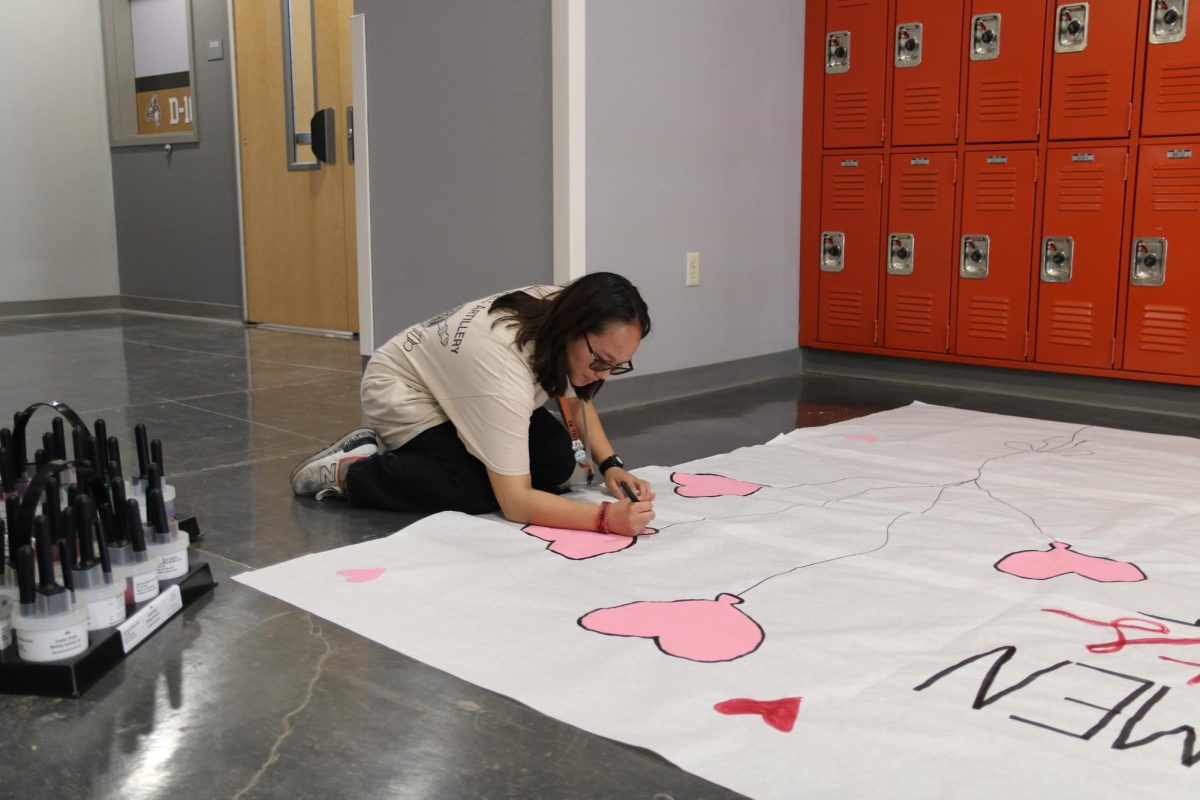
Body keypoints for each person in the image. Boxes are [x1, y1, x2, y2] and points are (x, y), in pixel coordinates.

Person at [290, 272, 656, 536]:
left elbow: (573, 390)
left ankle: (420, 458)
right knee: (478, 492)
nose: (604, 375)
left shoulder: (561, 309)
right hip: (405, 392)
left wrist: (611, 465)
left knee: (557, 458)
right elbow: (516, 505)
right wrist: (606, 519)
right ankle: (352, 472)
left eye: (617, 366)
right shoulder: (501, 370)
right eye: (601, 361)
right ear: (571, 329)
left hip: (461, 384)